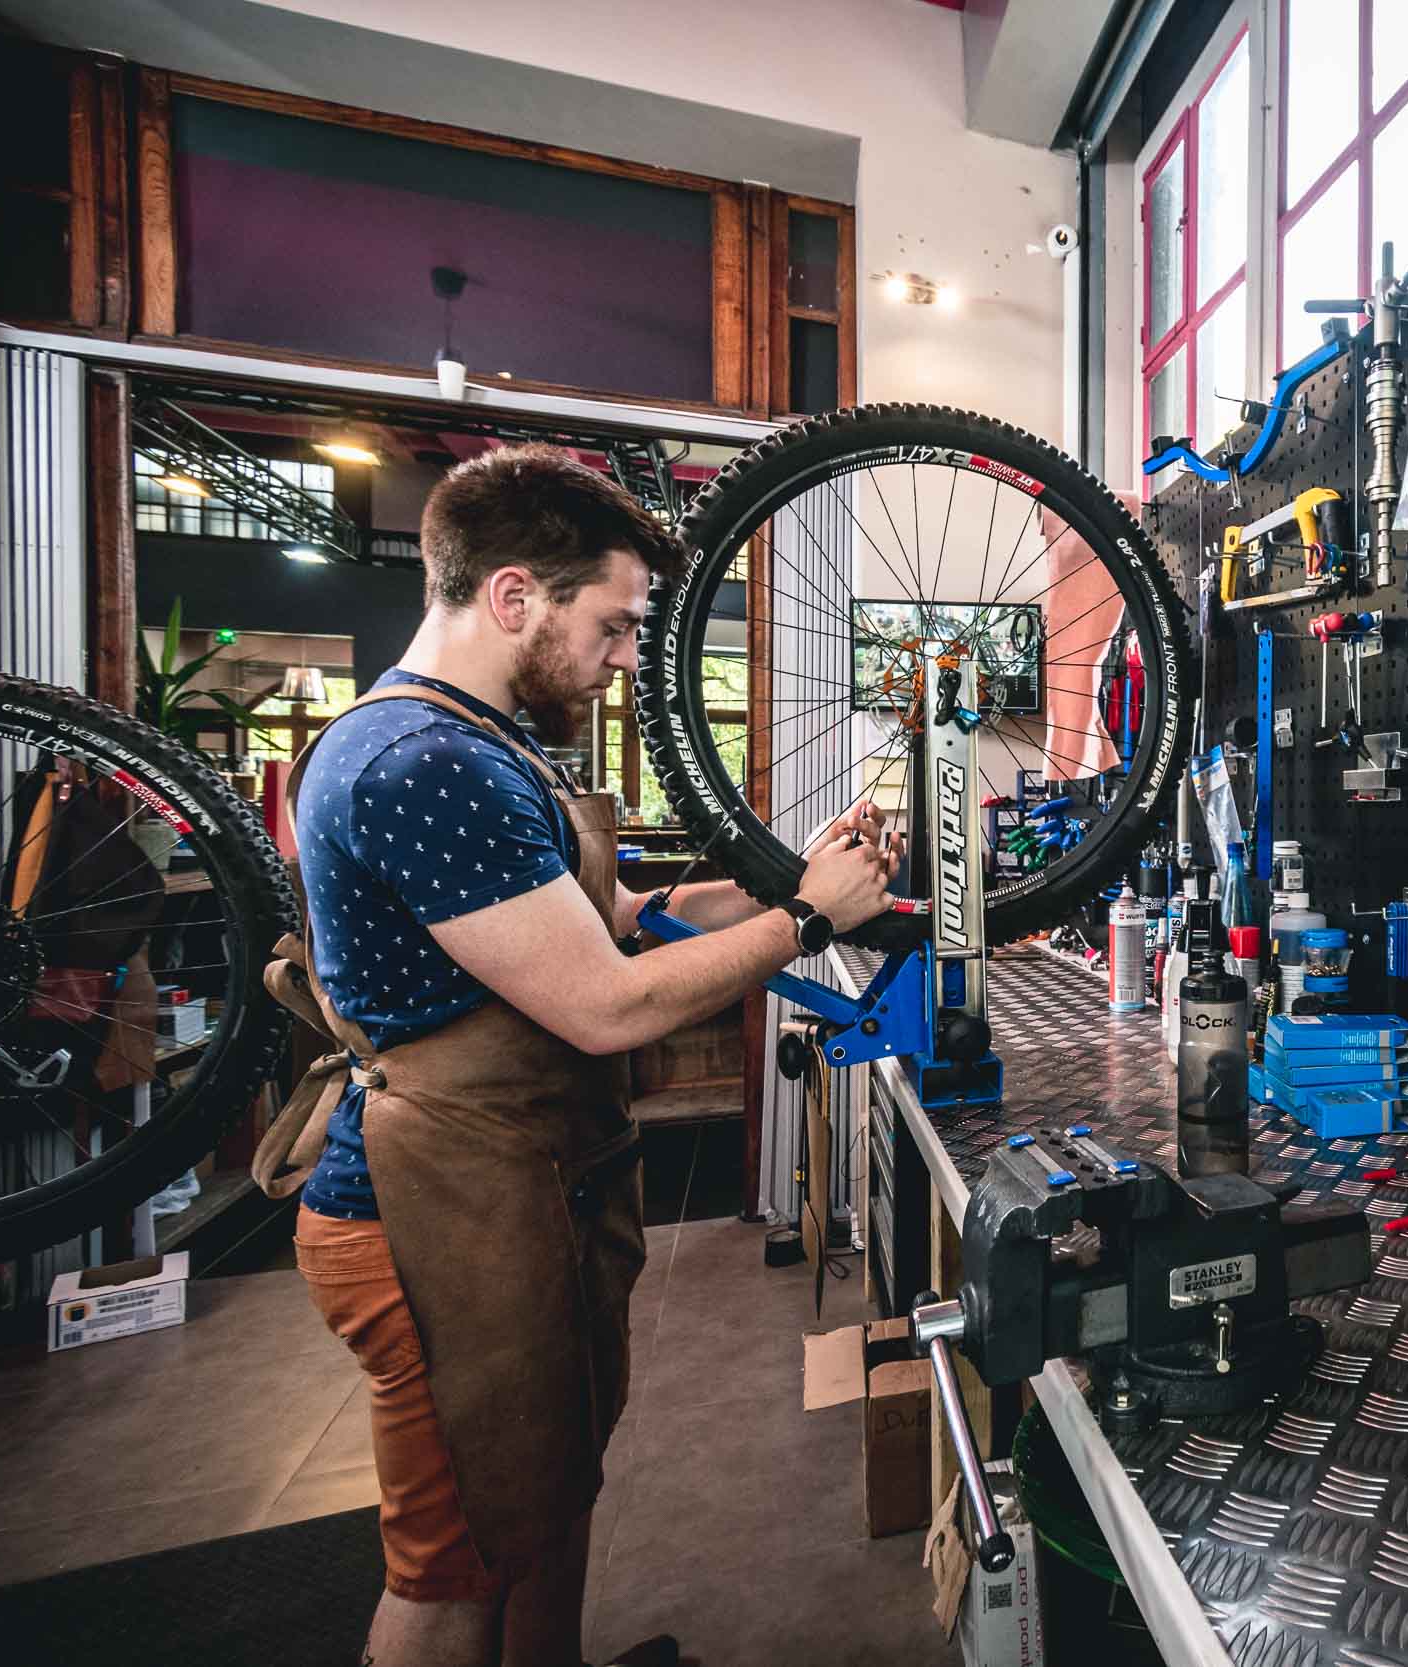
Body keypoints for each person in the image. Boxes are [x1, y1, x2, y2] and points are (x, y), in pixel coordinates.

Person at [254, 444, 898, 1667]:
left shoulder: (480, 740)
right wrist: (808, 921)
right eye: (611, 626)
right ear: (512, 597)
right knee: (455, 1559)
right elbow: (607, 1005)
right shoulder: (421, 762)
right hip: (426, 1217)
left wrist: (794, 879)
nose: (620, 659)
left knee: (543, 1502)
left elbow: (607, 925)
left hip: (514, 1191)